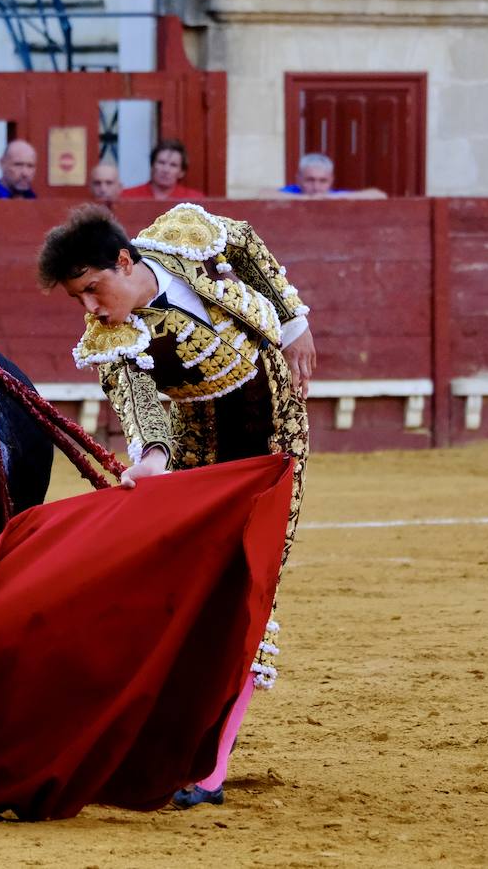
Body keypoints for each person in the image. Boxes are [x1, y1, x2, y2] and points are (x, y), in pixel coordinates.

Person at [37, 202, 315, 808]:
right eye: (77, 299)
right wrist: (155, 454)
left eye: (92, 289)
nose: (91, 308)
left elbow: (245, 243)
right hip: (199, 453)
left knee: (252, 588)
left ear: (124, 260)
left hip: (275, 439)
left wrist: (293, 323)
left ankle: (211, 766)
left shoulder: (183, 232)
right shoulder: (111, 337)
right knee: (190, 588)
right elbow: (139, 401)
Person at [265, 153, 387, 199]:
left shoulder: (333, 195)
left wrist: (331, 198)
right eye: (310, 180)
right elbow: (262, 194)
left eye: (323, 181)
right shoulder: (292, 191)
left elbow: (379, 195)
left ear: (331, 180)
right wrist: (307, 199)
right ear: (299, 179)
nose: (316, 186)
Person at [120, 139, 206, 201]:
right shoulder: (128, 196)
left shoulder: (195, 199)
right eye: (161, 162)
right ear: (152, 165)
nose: (166, 170)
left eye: (173, 165)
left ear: (181, 172)